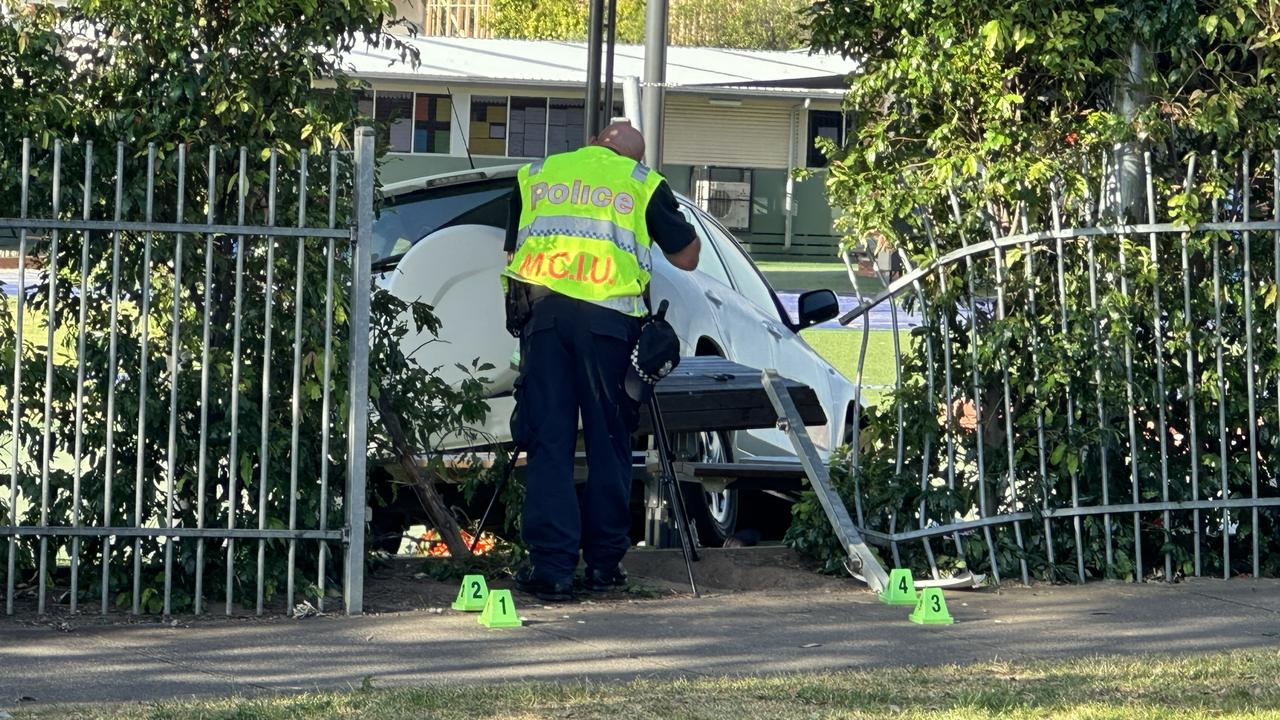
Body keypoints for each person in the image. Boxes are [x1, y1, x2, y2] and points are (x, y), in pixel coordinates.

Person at [502, 121, 700, 601]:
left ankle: (551, 570)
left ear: (593, 144)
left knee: (548, 442)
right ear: (635, 157)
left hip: (544, 317)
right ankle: (604, 567)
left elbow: (511, 251)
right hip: (609, 326)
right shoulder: (640, 183)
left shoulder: (538, 174)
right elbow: (688, 257)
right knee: (609, 442)